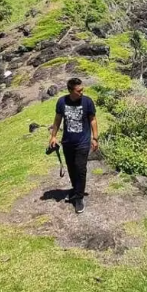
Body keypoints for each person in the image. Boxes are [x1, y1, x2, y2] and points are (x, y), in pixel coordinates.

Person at [48, 77, 98, 213]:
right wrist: (53, 136)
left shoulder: (87, 102)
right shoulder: (62, 102)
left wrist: (95, 138)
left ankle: (79, 197)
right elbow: (58, 120)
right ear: (70, 90)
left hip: (83, 142)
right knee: (71, 168)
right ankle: (76, 190)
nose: (82, 92)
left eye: (82, 90)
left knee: (81, 169)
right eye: (79, 91)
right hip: (67, 142)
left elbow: (93, 120)